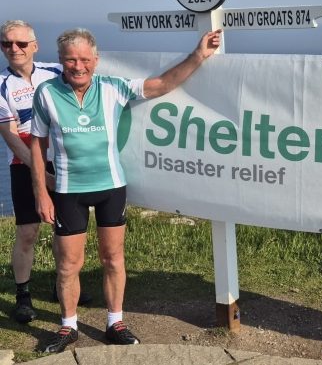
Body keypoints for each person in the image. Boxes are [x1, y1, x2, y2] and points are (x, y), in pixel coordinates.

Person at [30, 27, 222, 353]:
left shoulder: (112, 88)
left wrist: (198, 55)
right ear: (61, 60)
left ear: (96, 59)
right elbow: (37, 143)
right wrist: (40, 192)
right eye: (70, 60)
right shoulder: (46, 93)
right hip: (67, 190)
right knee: (67, 265)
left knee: (113, 259)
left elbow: (161, 84)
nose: (78, 66)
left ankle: (115, 322)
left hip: (110, 187)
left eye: (85, 59)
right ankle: (68, 326)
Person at [0, 20, 91, 324]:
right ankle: (23, 296)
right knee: (28, 231)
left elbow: (88, 84)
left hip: (66, 158)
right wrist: (40, 171)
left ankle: (61, 286)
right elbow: (11, 135)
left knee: (66, 230)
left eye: (21, 44)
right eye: (7, 44)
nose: (14, 49)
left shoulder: (56, 71)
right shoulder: (1, 85)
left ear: (34, 46)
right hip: (25, 163)